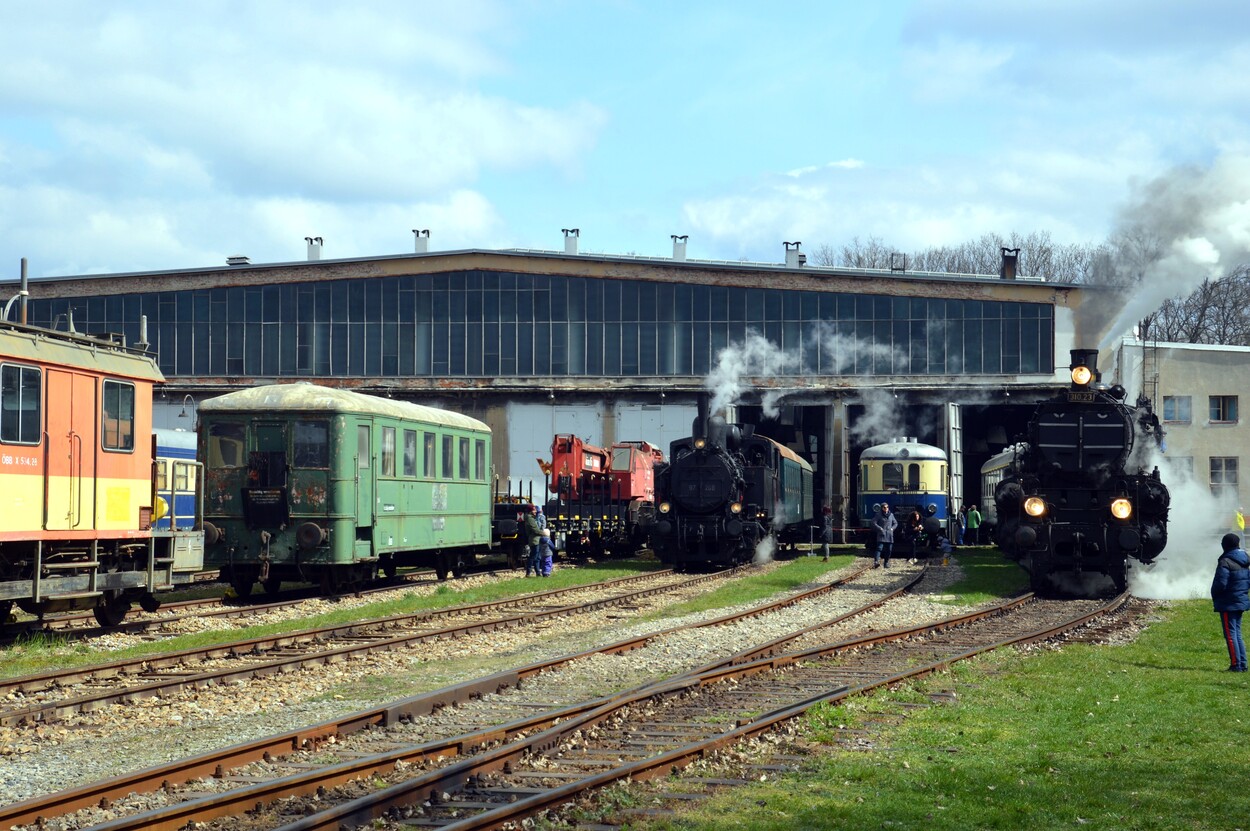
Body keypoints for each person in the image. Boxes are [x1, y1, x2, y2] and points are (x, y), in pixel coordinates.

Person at [1212, 532, 1249, 672]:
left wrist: (1214, 594)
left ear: (1224, 546)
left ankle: (1236, 665)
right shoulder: (1244, 560)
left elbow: (1220, 583)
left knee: (1230, 634)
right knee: (1237, 633)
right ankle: (1243, 663)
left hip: (1228, 601)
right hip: (1240, 599)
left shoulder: (1225, 562)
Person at [872, 503, 898, 569]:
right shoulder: (878, 515)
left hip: (889, 535)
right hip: (881, 534)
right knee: (879, 548)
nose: (886, 508)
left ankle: (886, 562)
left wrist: (892, 528)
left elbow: (895, 523)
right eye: (884, 507)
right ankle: (876, 562)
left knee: (889, 550)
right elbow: (873, 523)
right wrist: (880, 528)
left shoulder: (891, 515)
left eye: (887, 507)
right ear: (882, 508)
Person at [522, 504, 542, 577]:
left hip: (536, 539)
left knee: (537, 557)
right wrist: (544, 533)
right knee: (533, 556)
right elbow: (535, 530)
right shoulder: (530, 519)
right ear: (530, 511)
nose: (535, 511)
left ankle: (538, 572)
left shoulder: (531, 518)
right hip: (534, 540)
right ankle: (528, 572)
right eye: (534, 510)